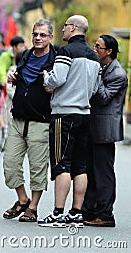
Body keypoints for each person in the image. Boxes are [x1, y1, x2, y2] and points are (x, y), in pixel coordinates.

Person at [38, 15, 101, 228]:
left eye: (65, 26)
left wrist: (47, 78)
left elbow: (58, 79)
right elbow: (95, 89)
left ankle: (57, 213)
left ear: (73, 27)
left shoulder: (66, 52)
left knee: (61, 164)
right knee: (80, 166)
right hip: (85, 114)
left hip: (63, 114)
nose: (63, 30)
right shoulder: (94, 57)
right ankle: (76, 213)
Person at [2, 19, 56, 223]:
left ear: (51, 37)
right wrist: (15, 78)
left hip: (41, 120)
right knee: (10, 163)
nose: (38, 38)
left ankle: (32, 207)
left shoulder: (57, 58)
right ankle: (22, 199)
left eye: (42, 35)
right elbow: (22, 77)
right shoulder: (25, 55)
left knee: (38, 166)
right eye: (35, 34)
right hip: (18, 118)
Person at [82, 35, 128, 227]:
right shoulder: (103, 68)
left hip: (105, 130)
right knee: (90, 171)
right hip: (93, 127)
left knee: (104, 173)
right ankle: (90, 211)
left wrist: (95, 76)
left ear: (109, 51)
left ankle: (106, 214)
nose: (94, 50)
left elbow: (103, 98)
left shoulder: (118, 73)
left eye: (98, 47)